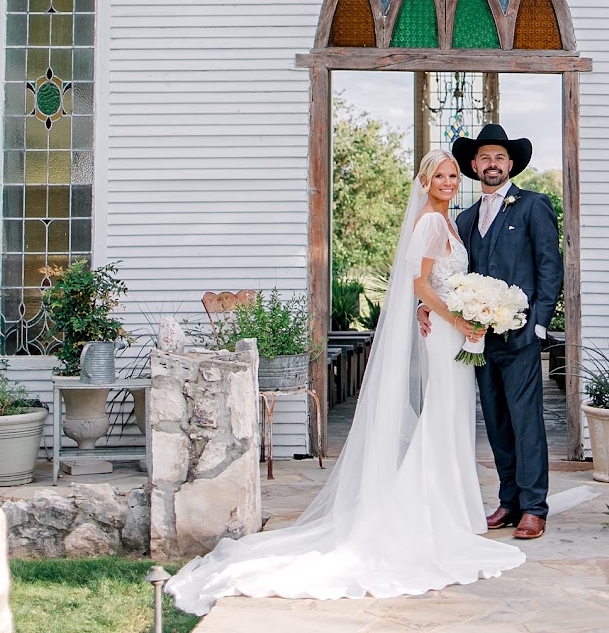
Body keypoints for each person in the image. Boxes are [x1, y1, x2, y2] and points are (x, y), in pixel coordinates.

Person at [165, 149, 526, 611]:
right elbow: (419, 284)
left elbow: (436, 283)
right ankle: (438, 510)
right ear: (424, 180)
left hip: (452, 328)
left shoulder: (448, 221)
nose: (448, 182)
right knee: (443, 414)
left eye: (453, 175)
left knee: (452, 415)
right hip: (446, 333)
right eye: (440, 175)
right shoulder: (430, 224)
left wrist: (457, 309)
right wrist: (456, 318)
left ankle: (454, 506)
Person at [447, 123, 564, 540]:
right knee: (496, 421)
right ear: (474, 166)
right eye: (485, 158)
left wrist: (539, 323)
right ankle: (509, 501)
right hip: (479, 338)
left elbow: (550, 266)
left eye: (499, 157)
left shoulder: (533, 205)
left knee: (525, 420)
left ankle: (534, 507)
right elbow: (454, 274)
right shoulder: (464, 219)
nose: (492, 164)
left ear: (510, 164)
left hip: (521, 334)